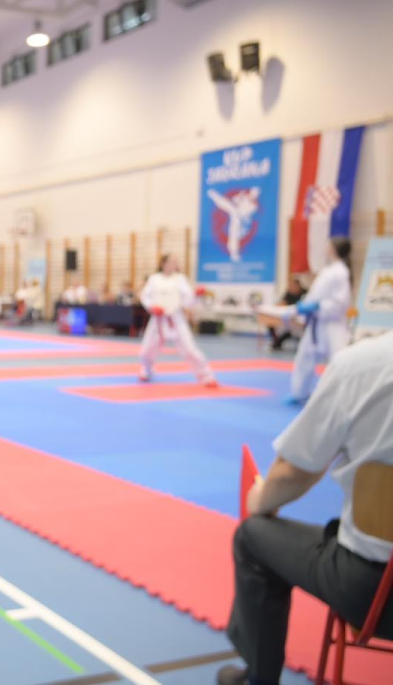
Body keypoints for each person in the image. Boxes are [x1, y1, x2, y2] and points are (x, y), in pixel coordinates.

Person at [217, 331, 393, 685]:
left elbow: (295, 473)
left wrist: (258, 500)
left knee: (252, 537)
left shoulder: (365, 364)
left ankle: (259, 678)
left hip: (376, 596)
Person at [287, 238, 352, 404]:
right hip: (317, 322)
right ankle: (299, 392)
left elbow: (340, 302)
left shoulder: (340, 272)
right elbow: (315, 295)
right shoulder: (328, 270)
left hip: (333, 324)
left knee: (340, 361)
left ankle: (346, 398)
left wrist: (318, 307)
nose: (326, 248)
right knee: (304, 357)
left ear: (334, 249)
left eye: (328, 245)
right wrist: (305, 308)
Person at [138, 253, 217, 387]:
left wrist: (196, 295)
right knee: (147, 349)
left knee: (190, 349)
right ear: (163, 264)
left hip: (176, 318)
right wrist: (152, 307)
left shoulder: (180, 279)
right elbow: (145, 296)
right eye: (170, 262)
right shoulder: (154, 279)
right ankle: (146, 369)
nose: (173, 265)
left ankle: (205, 375)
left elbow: (188, 301)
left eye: (175, 262)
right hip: (158, 318)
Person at [267, 277, 307, 351]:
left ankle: (278, 342)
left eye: (293, 286)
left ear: (298, 286)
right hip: (287, 317)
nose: (291, 288)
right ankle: (276, 342)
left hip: (301, 320)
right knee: (271, 323)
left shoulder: (305, 293)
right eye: (290, 286)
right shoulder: (289, 292)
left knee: (292, 328)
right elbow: (282, 302)